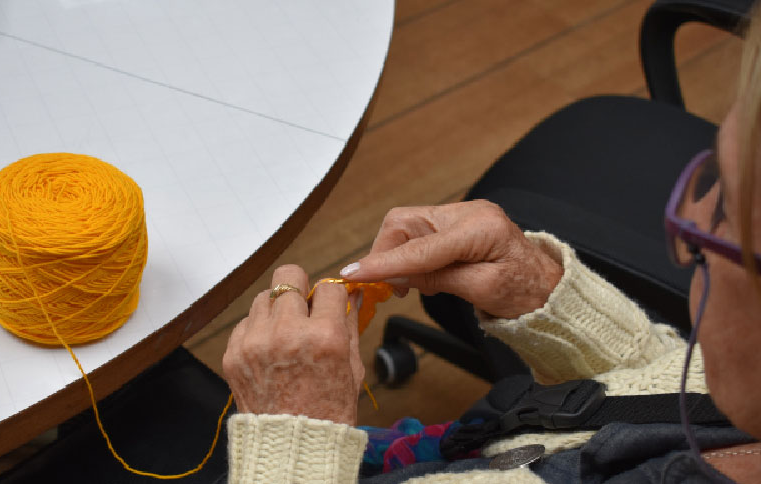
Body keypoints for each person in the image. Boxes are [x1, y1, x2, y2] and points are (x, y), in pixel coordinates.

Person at [220, 7, 761, 484]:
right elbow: (676, 400)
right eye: (713, 170)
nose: (689, 211)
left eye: (725, 210)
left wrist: (290, 435)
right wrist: (545, 296)